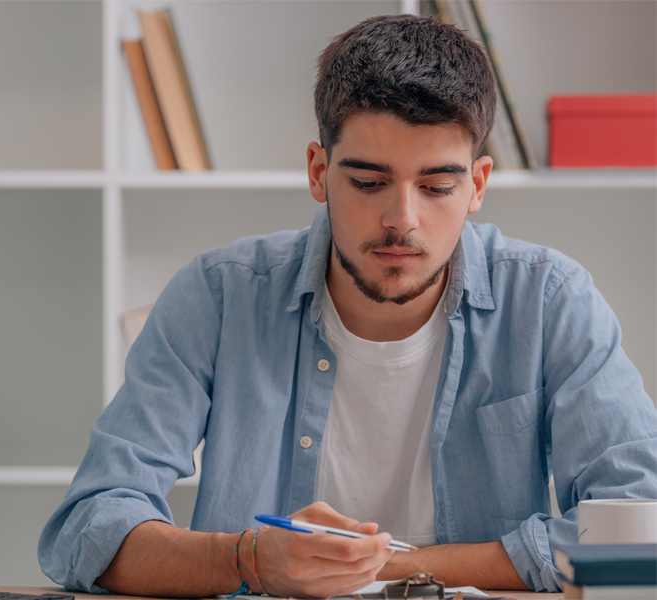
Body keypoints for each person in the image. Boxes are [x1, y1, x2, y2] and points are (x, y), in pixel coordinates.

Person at [38, 14, 657, 597]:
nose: (401, 221)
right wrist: (249, 559)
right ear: (318, 171)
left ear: (478, 185)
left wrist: (401, 569)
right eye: (367, 182)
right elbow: (89, 526)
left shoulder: (551, 301)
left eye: (438, 187)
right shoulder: (219, 295)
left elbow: (640, 524)